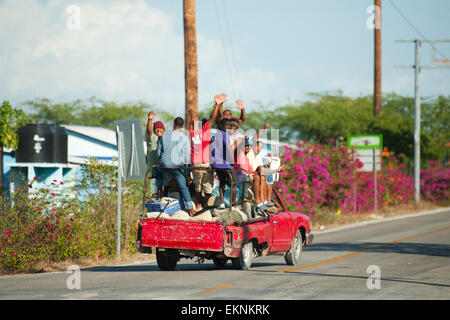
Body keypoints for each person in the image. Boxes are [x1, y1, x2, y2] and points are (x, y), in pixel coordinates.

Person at [189, 93, 225, 211]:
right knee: (208, 186)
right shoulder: (205, 131)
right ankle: (206, 206)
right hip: (204, 163)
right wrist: (217, 106)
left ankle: (199, 204)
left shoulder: (191, 133)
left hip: (195, 163)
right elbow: (212, 119)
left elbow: (196, 121)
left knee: (198, 186)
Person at [156, 117, 195, 216]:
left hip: (164, 165)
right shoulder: (184, 138)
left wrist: (164, 160)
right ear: (182, 126)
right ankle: (190, 209)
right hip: (176, 167)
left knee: (156, 169)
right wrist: (187, 175)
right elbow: (187, 158)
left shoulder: (164, 136)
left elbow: (158, 153)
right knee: (183, 187)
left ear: (174, 125)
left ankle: (159, 193)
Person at [210, 117, 236, 208]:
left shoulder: (215, 136)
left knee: (222, 183)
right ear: (220, 126)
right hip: (226, 164)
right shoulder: (225, 135)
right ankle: (233, 205)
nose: (228, 127)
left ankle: (221, 202)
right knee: (233, 184)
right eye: (226, 125)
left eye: (229, 126)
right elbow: (229, 148)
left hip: (217, 164)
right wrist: (232, 161)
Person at [146, 111, 165, 195]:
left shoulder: (166, 139)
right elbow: (149, 131)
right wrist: (150, 120)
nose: (159, 130)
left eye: (161, 128)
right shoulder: (153, 138)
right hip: (155, 168)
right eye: (157, 128)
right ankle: (159, 191)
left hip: (164, 167)